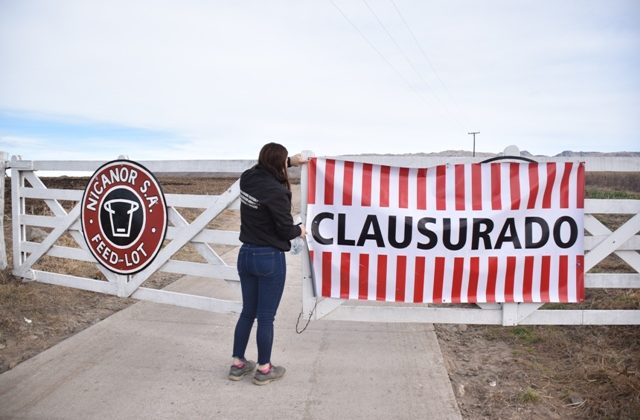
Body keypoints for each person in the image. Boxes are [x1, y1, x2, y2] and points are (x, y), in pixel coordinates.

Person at [228, 142, 307, 385]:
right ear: (279, 164)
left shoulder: (248, 178)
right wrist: (300, 230)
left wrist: (290, 160)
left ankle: (238, 364)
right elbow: (285, 230)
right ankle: (264, 368)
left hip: (246, 254)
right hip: (268, 258)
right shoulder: (277, 191)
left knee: (247, 312)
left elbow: (263, 167)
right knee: (266, 317)